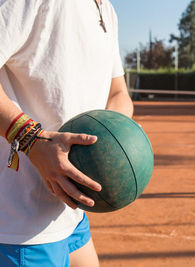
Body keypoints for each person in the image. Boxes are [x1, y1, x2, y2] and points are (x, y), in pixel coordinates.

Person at [0, 0, 133, 266]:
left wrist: (117, 140)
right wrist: (30, 139)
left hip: (70, 211)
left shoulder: (105, 8)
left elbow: (119, 92)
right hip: (21, 221)